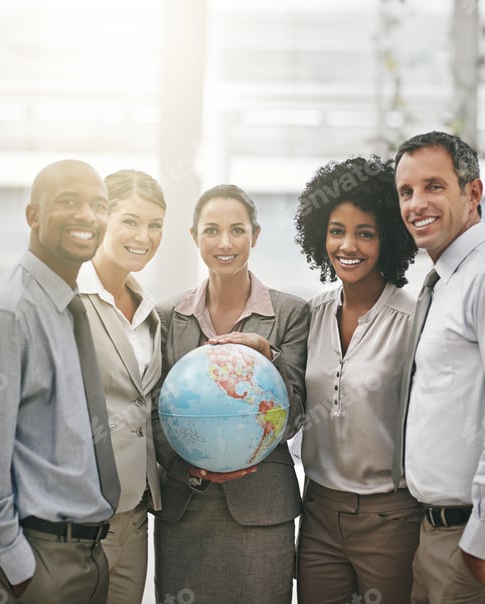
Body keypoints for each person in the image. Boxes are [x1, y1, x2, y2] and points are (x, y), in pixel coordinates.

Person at [151, 184, 308, 604]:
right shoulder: (166, 318)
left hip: (261, 513)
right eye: (212, 230)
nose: (225, 243)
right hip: (185, 509)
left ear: (255, 235)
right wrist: (192, 472)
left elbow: (295, 416)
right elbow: (152, 413)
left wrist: (268, 357)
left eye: (237, 230)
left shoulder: (291, 313)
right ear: (194, 236)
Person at [0, 159, 118, 603]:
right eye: (69, 202)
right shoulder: (9, 311)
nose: (88, 216)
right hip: (37, 566)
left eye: (99, 206)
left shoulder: (67, 306)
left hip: (91, 557)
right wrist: (21, 572)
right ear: (33, 216)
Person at [294, 155, 420, 604]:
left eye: (365, 233)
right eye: (336, 231)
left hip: (389, 517)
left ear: (387, 238)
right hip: (319, 512)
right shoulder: (314, 313)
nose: (348, 245)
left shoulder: (412, 320)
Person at [393, 131, 485, 602]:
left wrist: (479, 543)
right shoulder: (442, 280)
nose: (416, 204)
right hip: (432, 535)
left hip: (469, 540)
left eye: (433, 186)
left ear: (473, 192)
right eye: (406, 192)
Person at [78, 169, 166, 604]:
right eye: (130, 221)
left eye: (155, 225)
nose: (143, 236)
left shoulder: (152, 312)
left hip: (134, 518)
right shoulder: (68, 301)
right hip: (77, 521)